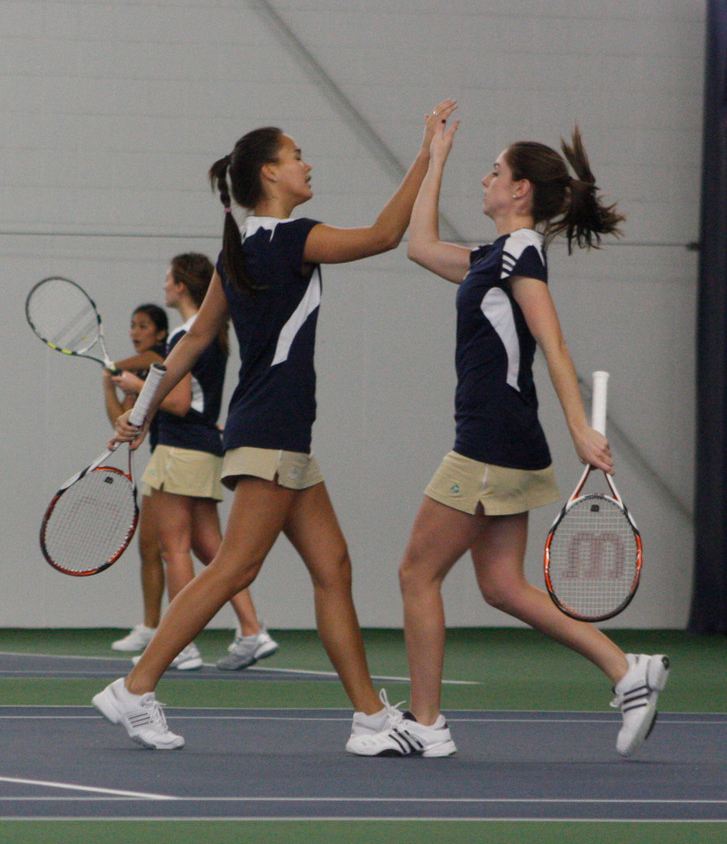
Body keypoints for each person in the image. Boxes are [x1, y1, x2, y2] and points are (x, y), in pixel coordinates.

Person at [92, 100, 458, 749]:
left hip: (277, 435)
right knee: (233, 568)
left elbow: (195, 339)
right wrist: (427, 155)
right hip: (269, 434)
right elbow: (381, 235)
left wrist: (140, 412)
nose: (306, 163)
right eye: (295, 156)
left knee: (332, 567)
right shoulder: (290, 239)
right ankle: (136, 687)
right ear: (268, 174)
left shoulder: (240, 251)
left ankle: (371, 719)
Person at [348, 116, 670, 759]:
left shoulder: (522, 251)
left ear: (520, 190)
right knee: (501, 584)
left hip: (491, 440)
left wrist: (580, 425)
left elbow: (552, 340)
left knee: (416, 573)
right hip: (506, 438)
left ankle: (428, 724)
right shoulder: (490, 257)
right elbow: (418, 245)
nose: (486, 178)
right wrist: (433, 156)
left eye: (494, 171)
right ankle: (627, 671)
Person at [118, 254, 278, 672]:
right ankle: (252, 630)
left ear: (183, 287)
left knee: (174, 549)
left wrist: (136, 385)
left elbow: (179, 402)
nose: (164, 284)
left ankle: (181, 645)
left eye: (169, 278)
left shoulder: (185, 336)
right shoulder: (212, 333)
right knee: (216, 551)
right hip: (206, 447)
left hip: (181, 451)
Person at [102, 304, 168, 652]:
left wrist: (113, 367)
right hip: (163, 457)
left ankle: (247, 627)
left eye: (143, 326)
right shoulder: (137, 376)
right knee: (150, 548)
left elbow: (149, 360)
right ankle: (152, 627)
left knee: (198, 551)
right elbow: (122, 420)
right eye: (132, 325)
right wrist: (106, 382)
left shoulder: (163, 359)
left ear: (160, 334)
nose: (135, 331)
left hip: (182, 456)